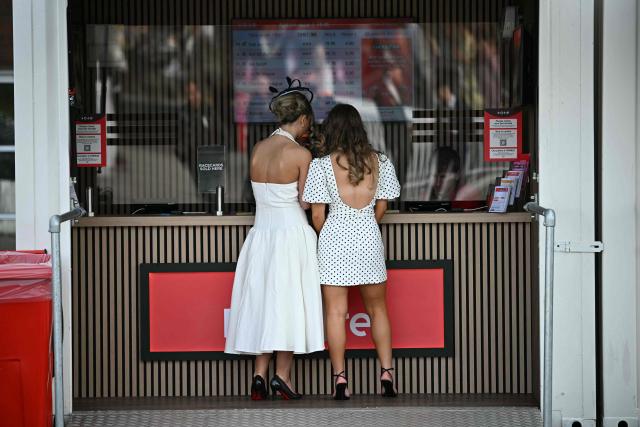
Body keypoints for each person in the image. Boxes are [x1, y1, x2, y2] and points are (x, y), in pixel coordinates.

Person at [224, 89, 324, 401]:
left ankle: (258, 375)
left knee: (262, 304)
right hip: (291, 232)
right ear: (304, 118)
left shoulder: (258, 149)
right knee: (289, 305)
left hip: (261, 234)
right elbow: (307, 203)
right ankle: (282, 377)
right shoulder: (301, 155)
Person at [303, 104, 401, 400]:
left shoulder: (321, 165)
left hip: (334, 240)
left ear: (332, 128)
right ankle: (386, 373)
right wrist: (366, 226)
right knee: (378, 310)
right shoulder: (380, 161)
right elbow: (382, 206)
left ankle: (340, 379)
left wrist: (334, 234)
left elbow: (317, 217)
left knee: (335, 312)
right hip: (369, 238)